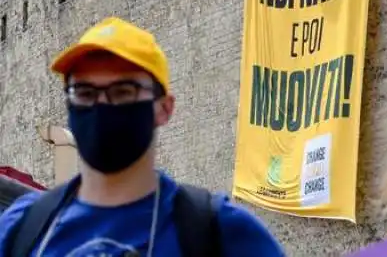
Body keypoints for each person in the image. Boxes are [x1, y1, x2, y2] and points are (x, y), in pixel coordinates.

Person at [0, 17, 285, 256]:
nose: (101, 106)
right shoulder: (22, 227)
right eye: (85, 93)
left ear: (164, 108)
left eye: (123, 92)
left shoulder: (221, 233)